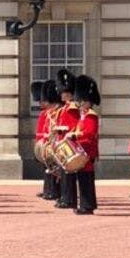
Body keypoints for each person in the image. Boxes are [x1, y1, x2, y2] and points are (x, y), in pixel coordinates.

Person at [70, 75, 101, 214]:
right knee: (82, 179)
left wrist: (75, 135)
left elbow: (89, 132)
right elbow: (78, 130)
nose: (81, 103)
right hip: (82, 150)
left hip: (87, 151)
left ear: (89, 102)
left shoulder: (91, 115)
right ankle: (86, 204)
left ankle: (87, 206)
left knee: (86, 179)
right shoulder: (84, 116)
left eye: (83, 101)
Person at [50, 69, 80, 209]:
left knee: (68, 173)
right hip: (62, 143)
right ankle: (64, 197)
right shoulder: (64, 108)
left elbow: (74, 126)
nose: (61, 94)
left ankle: (70, 199)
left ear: (69, 93)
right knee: (63, 172)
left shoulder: (73, 108)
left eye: (64, 92)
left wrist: (61, 130)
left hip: (69, 143)